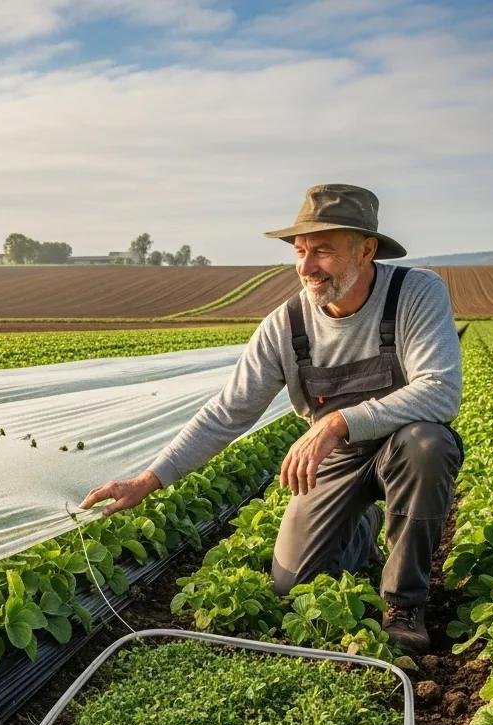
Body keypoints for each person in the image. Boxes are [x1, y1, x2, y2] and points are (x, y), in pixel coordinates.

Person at [80, 183, 464, 655]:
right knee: (292, 586)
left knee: (428, 444)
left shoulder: (414, 294)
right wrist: (148, 479)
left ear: (366, 251)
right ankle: (359, 527)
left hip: (401, 448)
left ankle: (405, 603)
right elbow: (228, 412)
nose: (306, 267)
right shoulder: (286, 325)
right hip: (337, 462)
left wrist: (335, 421)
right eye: (301, 252)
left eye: (322, 251)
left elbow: (440, 391)